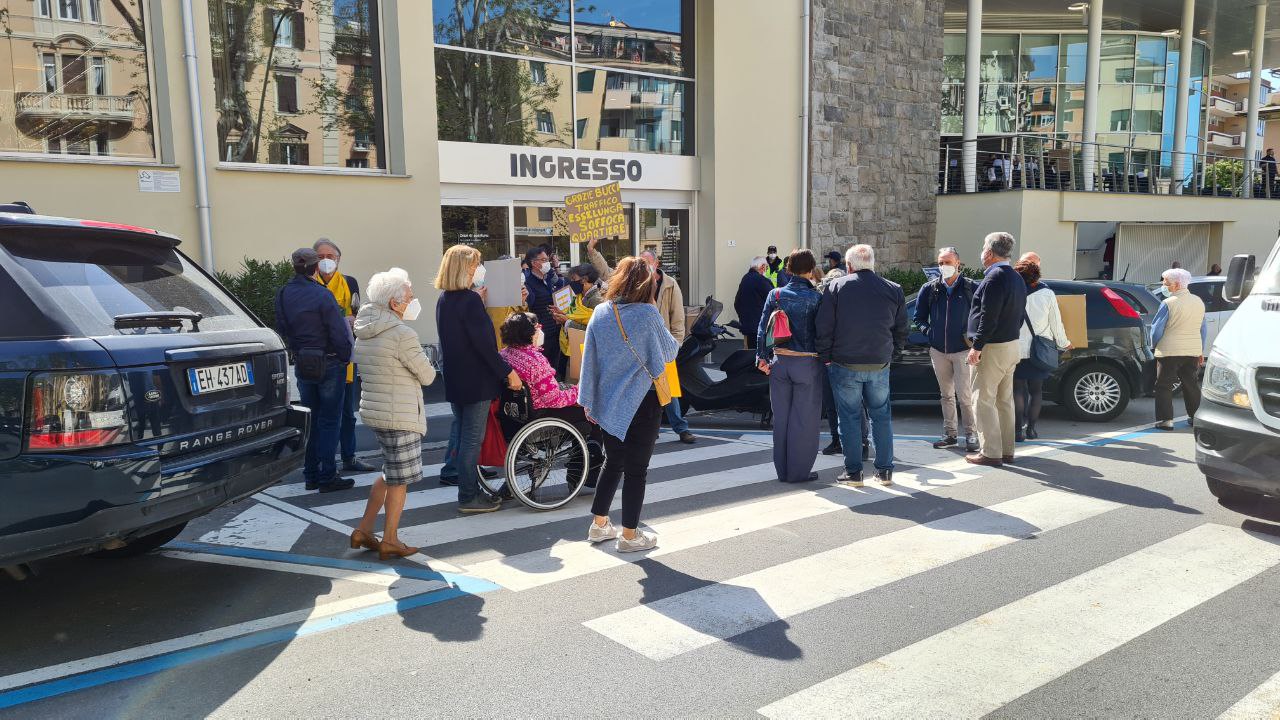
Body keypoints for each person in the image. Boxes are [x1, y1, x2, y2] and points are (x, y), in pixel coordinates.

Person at [580, 257, 679, 553]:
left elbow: (589, 362)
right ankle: (630, 535)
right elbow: (670, 352)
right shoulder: (648, 314)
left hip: (609, 400)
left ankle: (599, 525)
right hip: (643, 400)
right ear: (647, 285)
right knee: (637, 469)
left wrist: (587, 400)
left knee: (613, 462)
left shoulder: (600, 312)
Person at [349, 268, 438, 560]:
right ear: (394, 303)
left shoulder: (364, 329)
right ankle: (390, 539)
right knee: (399, 480)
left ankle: (363, 530)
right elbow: (427, 376)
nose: (413, 301)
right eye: (410, 297)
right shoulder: (402, 334)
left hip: (375, 411)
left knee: (389, 473)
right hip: (400, 414)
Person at [436, 245, 524, 513]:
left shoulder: (445, 298)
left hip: (456, 379)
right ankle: (468, 497)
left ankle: (468, 492)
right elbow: (484, 346)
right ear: (463, 268)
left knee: (464, 439)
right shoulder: (470, 301)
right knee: (472, 441)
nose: (477, 270)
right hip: (476, 381)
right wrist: (508, 373)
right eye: (473, 265)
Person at [817, 244, 908, 487]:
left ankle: (854, 472)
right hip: (879, 363)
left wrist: (825, 357)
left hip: (844, 362)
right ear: (873, 263)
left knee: (848, 417)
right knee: (881, 416)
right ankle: (885, 471)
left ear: (849, 265)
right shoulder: (894, 289)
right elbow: (901, 329)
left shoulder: (836, 286)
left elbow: (824, 326)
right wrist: (893, 354)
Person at [589, 241, 694, 444]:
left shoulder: (670, 285)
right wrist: (592, 252)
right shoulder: (627, 293)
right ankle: (644, 429)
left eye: (647, 263)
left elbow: (678, 318)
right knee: (641, 393)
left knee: (667, 391)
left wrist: (674, 344)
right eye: (641, 264)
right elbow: (607, 272)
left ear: (656, 264)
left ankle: (680, 428)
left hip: (660, 346)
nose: (644, 267)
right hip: (636, 348)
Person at [275, 248, 355, 494]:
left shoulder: (284, 293)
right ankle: (328, 475)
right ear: (315, 268)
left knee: (310, 420)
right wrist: (344, 357)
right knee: (330, 420)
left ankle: (311, 474)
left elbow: (282, 326)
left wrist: (297, 350)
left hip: (303, 360)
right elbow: (339, 332)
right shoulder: (322, 295)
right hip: (329, 360)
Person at [756, 250, 824, 483]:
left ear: (788, 269)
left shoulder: (775, 295)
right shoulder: (817, 297)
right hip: (807, 361)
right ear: (812, 269)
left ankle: (782, 471)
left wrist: (761, 358)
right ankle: (798, 472)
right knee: (804, 419)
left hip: (779, 361)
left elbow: (762, 328)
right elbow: (823, 332)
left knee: (781, 418)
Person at [313, 238, 376, 475]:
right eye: (321, 257)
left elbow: (358, 314)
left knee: (347, 413)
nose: (327, 261)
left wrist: (353, 321)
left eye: (332, 257)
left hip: (345, 356)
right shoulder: (310, 284)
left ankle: (349, 456)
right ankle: (322, 460)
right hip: (319, 358)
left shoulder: (349, 283)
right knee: (322, 413)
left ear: (339, 260)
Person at [965, 232, 1028, 467]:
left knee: (983, 400)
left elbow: (987, 318)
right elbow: (1020, 314)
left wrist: (977, 346)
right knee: (1004, 400)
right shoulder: (1015, 277)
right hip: (1011, 344)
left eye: (983, 247)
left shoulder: (993, 278)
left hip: (992, 347)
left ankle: (991, 452)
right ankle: (1006, 449)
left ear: (990, 253)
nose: (982, 252)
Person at [914, 246, 979, 451]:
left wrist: (975, 340)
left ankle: (971, 434)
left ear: (958, 263)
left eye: (948, 262)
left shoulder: (970, 288)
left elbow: (982, 316)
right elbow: (919, 317)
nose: (943, 266)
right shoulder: (930, 288)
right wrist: (929, 332)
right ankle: (950, 434)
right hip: (938, 350)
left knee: (965, 395)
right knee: (946, 395)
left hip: (963, 350)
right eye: (941, 262)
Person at [1013, 258, 1071, 441]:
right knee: (1036, 391)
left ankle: (1017, 431)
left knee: (1017, 390)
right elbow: (1056, 323)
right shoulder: (1047, 294)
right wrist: (1064, 342)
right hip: (1040, 349)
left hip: (1016, 348)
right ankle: (1031, 429)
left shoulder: (1013, 293)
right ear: (1037, 276)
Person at [1151, 268, 1206, 430]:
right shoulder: (1198, 301)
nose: (1163, 285)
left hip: (1170, 351)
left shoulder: (1168, 303)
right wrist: (1200, 350)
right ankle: (1195, 417)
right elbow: (1202, 329)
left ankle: (1165, 420)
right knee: (1190, 383)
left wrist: (1154, 346)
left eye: (1165, 283)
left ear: (1175, 285)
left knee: (1164, 385)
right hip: (1192, 350)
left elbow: (1156, 329)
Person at [818, 250, 848, 455]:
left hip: (837, 360)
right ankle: (842, 441)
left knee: (840, 404)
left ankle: (844, 441)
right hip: (836, 359)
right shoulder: (824, 302)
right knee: (838, 404)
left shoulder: (848, 304)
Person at [523, 246, 569, 374]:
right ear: (534, 263)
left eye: (547, 259)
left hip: (556, 329)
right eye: (543, 260)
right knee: (543, 370)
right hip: (540, 333)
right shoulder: (527, 282)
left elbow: (561, 291)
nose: (546, 262)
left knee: (556, 367)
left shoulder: (549, 278)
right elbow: (529, 304)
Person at [483, 255, 531, 349]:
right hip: (500, 347)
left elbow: (522, 320)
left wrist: (522, 302)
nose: (519, 274)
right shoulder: (490, 293)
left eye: (519, 271)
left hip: (515, 345)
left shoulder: (517, 290)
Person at [734, 257, 773, 350]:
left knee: (750, 353)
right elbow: (773, 299)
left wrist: (743, 318)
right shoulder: (761, 280)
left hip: (748, 325)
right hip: (760, 326)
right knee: (760, 355)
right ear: (763, 267)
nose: (766, 270)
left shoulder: (745, 278)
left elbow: (737, 302)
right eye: (766, 267)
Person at [565, 263, 604, 331]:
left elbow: (596, 329)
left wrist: (567, 323)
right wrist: (562, 314)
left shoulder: (596, 300)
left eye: (574, 279)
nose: (572, 282)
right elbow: (574, 316)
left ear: (584, 279)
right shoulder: (579, 297)